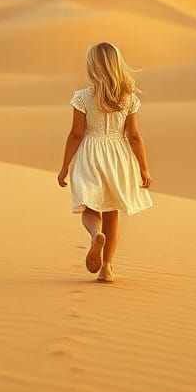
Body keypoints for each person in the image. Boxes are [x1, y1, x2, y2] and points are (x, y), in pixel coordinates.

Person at [57, 41, 153, 282]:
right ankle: (107, 268)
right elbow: (134, 136)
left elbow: (76, 134)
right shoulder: (128, 98)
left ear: (92, 67)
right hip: (119, 156)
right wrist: (143, 168)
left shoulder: (82, 97)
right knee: (112, 212)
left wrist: (64, 167)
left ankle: (94, 234)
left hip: (91, 153)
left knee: (89, 206)